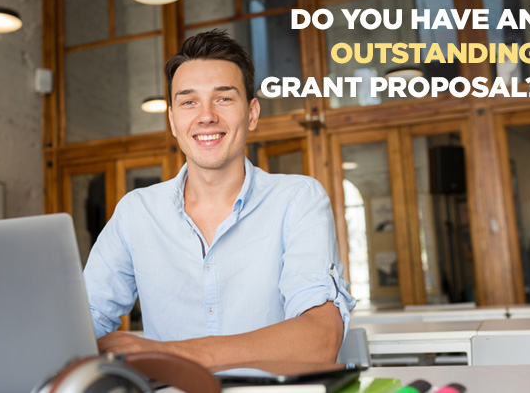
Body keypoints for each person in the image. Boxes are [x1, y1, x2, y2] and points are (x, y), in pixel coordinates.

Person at [83, 29, 355, 368]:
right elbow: (82, 322)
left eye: (224, 98)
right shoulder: (135, 212)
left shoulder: (298, 200)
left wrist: (171, 354)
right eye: (188, 101)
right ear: (172, 121)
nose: (206, 115)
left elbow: (320, 340)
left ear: (252, 113)